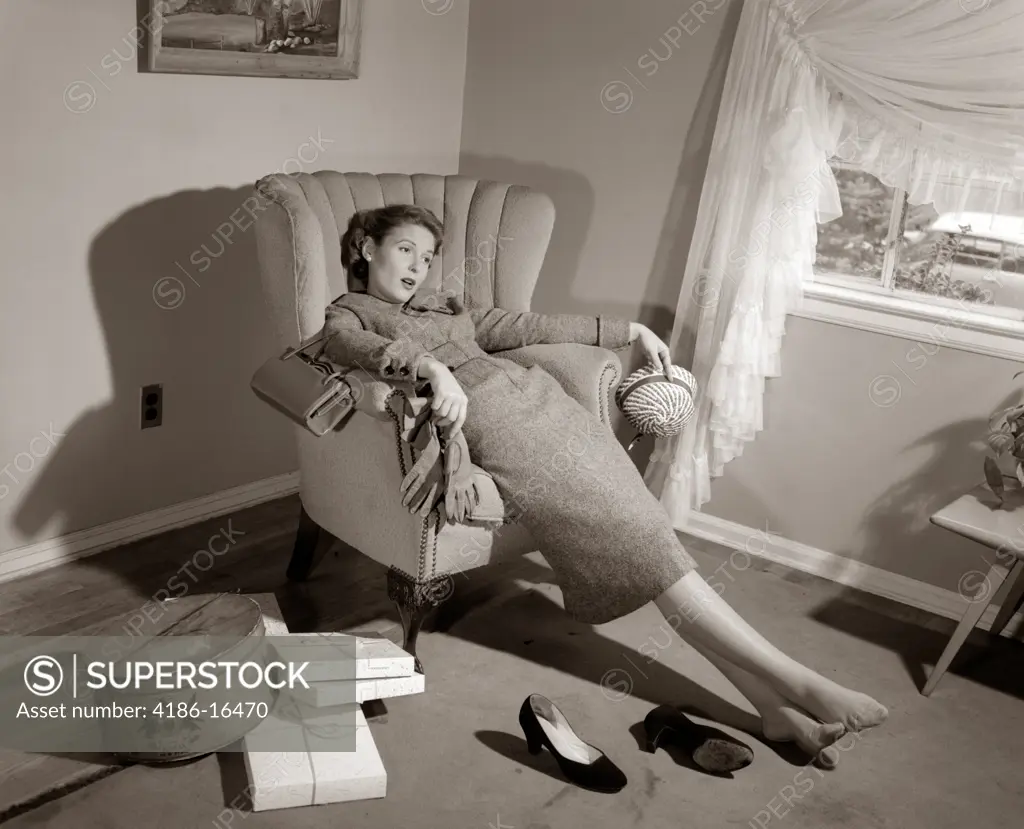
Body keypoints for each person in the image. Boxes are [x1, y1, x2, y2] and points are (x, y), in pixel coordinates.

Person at [321, 204, 888, 765]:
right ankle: (803, 684)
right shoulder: (349, 315)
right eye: (405, 250)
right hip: (502, 426)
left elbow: (529, 326)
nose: (418, 266)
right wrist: (432, 369)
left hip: (553, 411)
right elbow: (356, 351)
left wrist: (630, 330)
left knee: (653, 544)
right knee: (651, 548)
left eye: (426, 256)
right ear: (368, 249)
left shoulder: (449, 311)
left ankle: (774, 709)